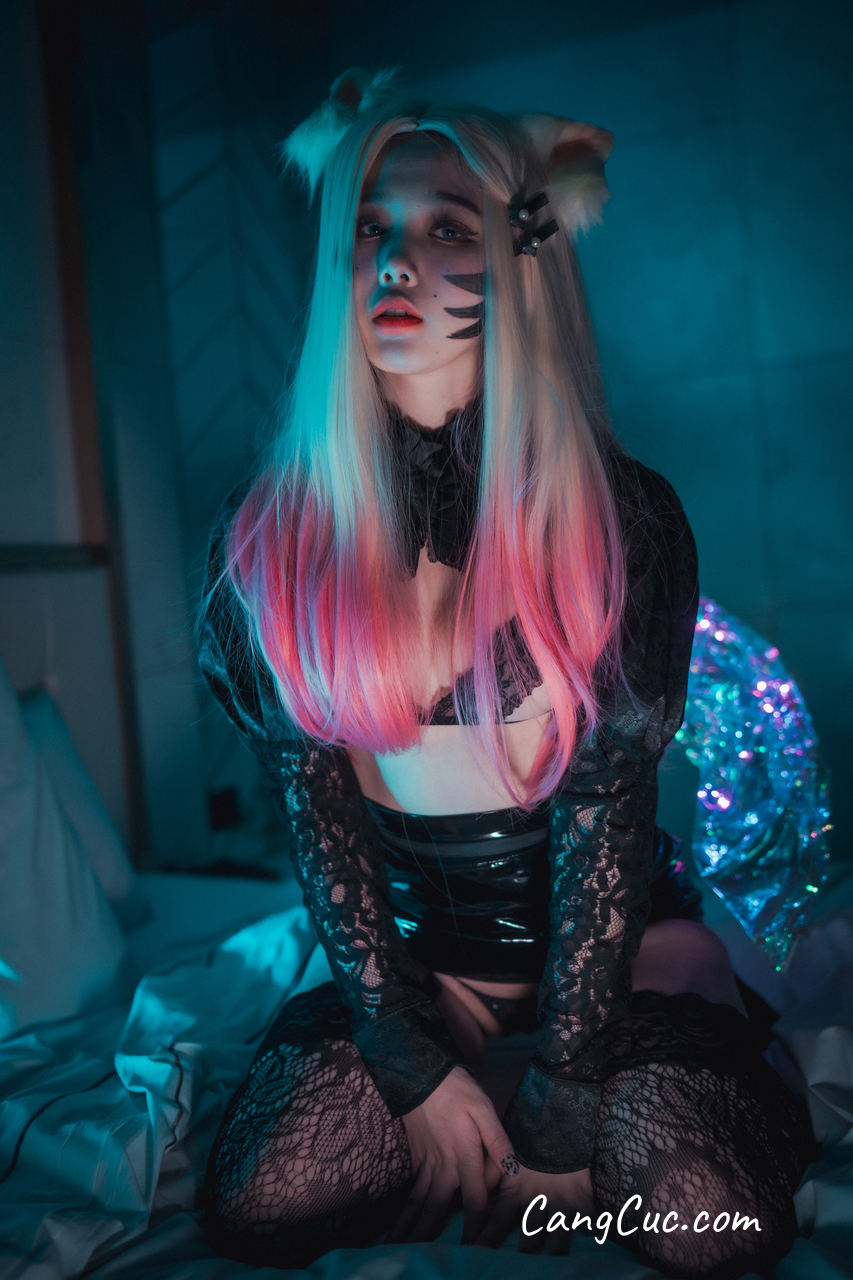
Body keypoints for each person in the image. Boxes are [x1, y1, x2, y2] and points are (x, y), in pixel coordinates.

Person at [197, 69, 812, 1278]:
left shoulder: (620, 521)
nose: (393, 263)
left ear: (521, 264)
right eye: (370, 228)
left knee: (707, 1218)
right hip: (431, 976)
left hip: (621, 961)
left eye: (445, 229)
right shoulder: (270, 539)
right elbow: (317, 818)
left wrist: (570, 1092)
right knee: (260, 1199)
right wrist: (408, 1062)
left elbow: (604, 821)